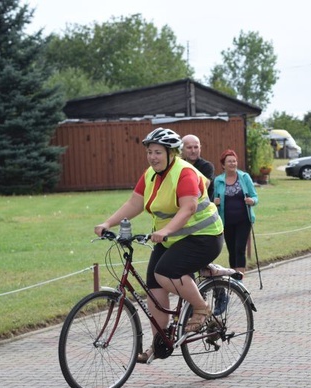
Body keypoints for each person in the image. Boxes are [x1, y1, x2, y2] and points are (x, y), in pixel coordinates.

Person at [94, 128, 224, 362]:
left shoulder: (184, 173)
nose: (153, 157)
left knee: (165, 272)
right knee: (154, 286)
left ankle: (202, 308)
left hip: (205, 237)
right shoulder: (151, 175)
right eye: (150, 152)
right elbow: (135, 202)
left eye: (158, 152)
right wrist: (108, 222)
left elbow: (189, 208)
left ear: (171, 153)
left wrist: (165, 230)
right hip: (172, 238)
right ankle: (159, 343)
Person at [213, 149, 258, 280]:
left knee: (239, 249)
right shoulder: (218, 181)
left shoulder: (244, 177)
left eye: (234, 161)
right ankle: (233, 278)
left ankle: (240, 280)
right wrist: (215, 202)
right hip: (226, 221)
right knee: (232, 250)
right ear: (223, 165)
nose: (233, 163)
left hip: (244, 220)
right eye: (229, 161)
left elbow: (255, 196)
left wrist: (252, 201)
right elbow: (214, 199)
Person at [182, 134, 216, 200]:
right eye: (189, 147)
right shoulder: (179, 165)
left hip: (203, 209)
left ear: (200, 148)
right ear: (182, 149)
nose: (193, 151)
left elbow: (202, 189)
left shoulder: (207, 166)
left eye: (196, 147)